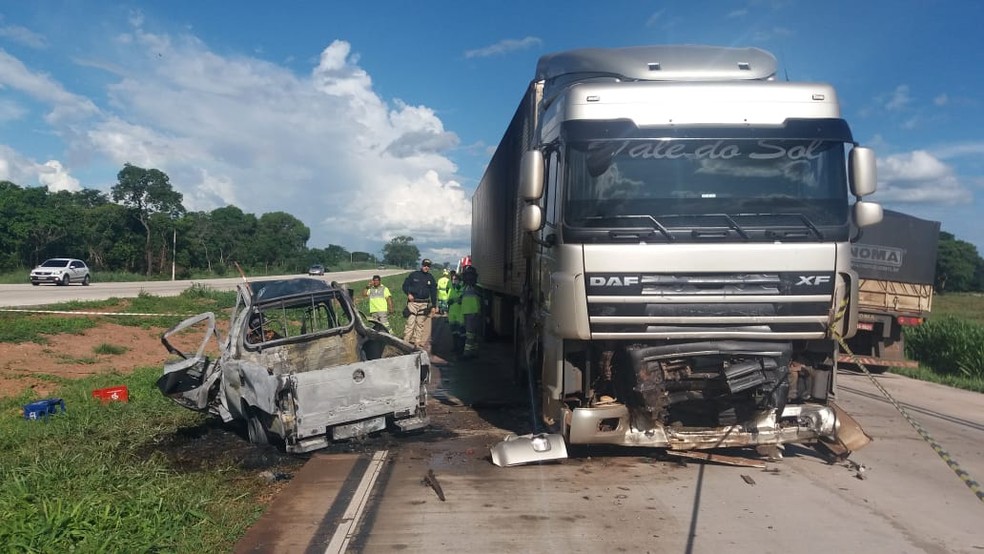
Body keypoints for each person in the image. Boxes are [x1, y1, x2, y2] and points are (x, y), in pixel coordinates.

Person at [402, 258, 438, 348]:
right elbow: (405, 286)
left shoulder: (431, 278)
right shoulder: (414, 275)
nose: (426, 267)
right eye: (425, 265)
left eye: (428, 266)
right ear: (422, 266)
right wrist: (408, 294)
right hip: (413, 303)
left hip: (424, 304)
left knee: (420, 324)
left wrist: (434, 306)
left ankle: (417, 343)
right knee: (410, 323)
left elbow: (434, 292)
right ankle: (405, 342)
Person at [460, 265, 483, 359]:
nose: (467, 278)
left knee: (470, 334)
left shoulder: (475, 288)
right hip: (468, 312)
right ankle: (474, 351)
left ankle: (468, 353)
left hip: (472, 312)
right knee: (472, 333)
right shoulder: (465, 287)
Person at [446, 271, 465, 355]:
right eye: (453, 279)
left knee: (461, 333)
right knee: (454, 332)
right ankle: (455, 347)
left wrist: (455, 300)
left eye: (456, 279)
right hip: (452, 313)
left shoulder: (462, 288)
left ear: (459, 280)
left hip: (460, 313)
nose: (454, 281)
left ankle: (461, 349)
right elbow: (449, 299)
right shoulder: (451, 289)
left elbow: (461, 299)